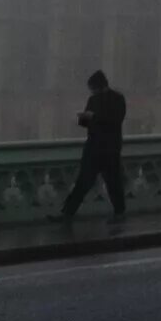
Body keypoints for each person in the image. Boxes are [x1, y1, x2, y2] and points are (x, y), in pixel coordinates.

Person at [50, 70, 128, 224]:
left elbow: (116, 120)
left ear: (98, 86)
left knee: (112, 183)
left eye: (92, 88)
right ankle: (67, 214)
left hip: (108, 148)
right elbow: (86, 124)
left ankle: (119, 213)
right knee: (84, 183)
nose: (92, 91)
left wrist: (94, 117)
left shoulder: (117, 99)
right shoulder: (93, 99)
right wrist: (83, 118)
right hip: (95, 147)